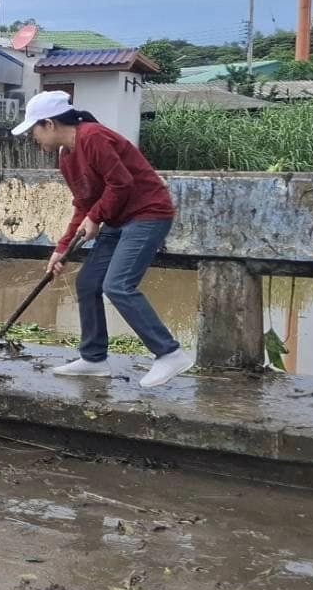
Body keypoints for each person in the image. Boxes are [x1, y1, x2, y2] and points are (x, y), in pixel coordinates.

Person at [13, 91, 193, 387]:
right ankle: (94, 358)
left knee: (118, 285)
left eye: (33, 130)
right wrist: (61, 249)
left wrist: (96, 217)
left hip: (147, 214)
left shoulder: (92, 136)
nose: (34, 138)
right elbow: (83, 203)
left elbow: (122, 183)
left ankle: (170, 354)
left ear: (49, 124)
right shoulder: (66, 157)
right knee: (88, 283)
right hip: (118, 219)